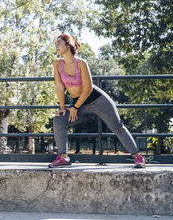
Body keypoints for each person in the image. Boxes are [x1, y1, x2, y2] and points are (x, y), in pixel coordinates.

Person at [49, 34, 145, 168]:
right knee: (59, 120)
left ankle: (138, 157)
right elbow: (59, 87)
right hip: (79, 104)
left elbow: (88, 89)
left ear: (68, 44)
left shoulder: (81, 63)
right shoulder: (57, 63)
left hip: (97, 99)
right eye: (55, 43)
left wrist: (75, 108)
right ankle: (63, 157)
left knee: (117, 127)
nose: (56, 45)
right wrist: (63, 108)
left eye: (59, 42)